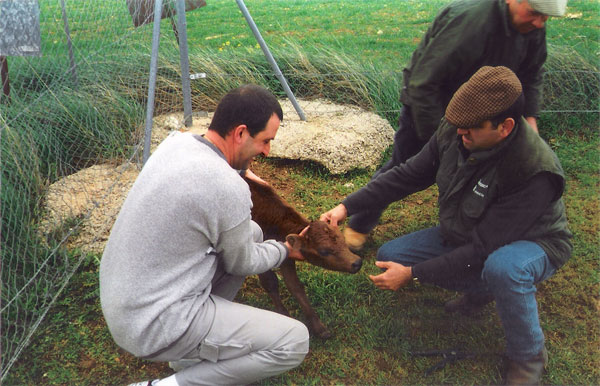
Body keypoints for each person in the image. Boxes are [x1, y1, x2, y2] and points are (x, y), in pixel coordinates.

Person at [320, 66, 572, 385]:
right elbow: (410, 174)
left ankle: (528, 354)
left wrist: (413, 275)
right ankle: (482, 290)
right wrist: (347, 205)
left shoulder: (535, 170)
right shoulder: (457, 128)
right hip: (470, 230)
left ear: (505, 126)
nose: (461, 138)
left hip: (534, 242)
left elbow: (484, 247)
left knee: (503, 268)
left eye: (470, 132)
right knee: (393, 254)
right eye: (458, 129)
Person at [100, 84, 310, 386]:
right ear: (240, 133)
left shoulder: (177, 143)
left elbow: (213, 187)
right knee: (293, 341)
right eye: (265, 141)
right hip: (153, 325)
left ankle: (188, 356)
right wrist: (284, 250)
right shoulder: (227, 187)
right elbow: (243, 263)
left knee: (250, 231)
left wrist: (239, 170)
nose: (267, 151)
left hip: (124, 300)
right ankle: (166, 385)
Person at [344, 0, 569, 250]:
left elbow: (532, 73)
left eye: (545, 18)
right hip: (429, 105)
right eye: (535, 13)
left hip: (486, 118)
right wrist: (442, 140)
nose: (539, 23)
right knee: (406, 167)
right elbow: (423, 82)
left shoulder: (532, 25)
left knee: (488, 173)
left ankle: (475, 234)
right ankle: (359, 225)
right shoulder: (469, 22)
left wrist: (530, 119)